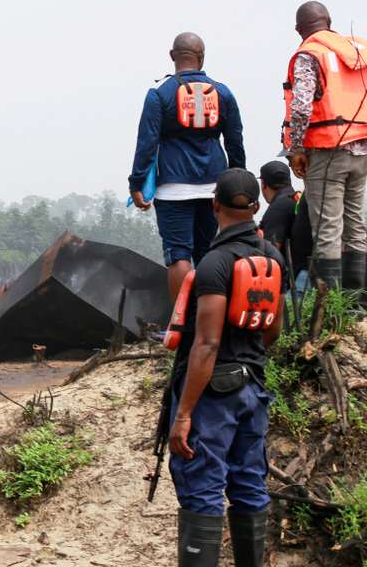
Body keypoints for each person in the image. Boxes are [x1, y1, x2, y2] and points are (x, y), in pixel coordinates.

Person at [167, 169, 284, 567]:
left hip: (214, 394)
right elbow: (274, 330)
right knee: (249, 484)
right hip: (254, 389)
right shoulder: (272, 257)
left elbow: (207, 343)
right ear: (255, 206)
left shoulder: (216, 261)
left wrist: (183, 414)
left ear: (214, 205)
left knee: (202, 487)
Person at [129, 32, 246, 304]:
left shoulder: (159, 94)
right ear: (202, 58)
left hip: (172, 187)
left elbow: (146, 144)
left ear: (172, 55)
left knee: (178, 254)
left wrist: (136, 184)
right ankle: (210, 321)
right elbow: (235, 142)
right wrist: (236, 183)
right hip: (215, 188)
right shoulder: (223, 93)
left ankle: (180, 325)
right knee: (209, 254)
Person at [283, 0, 367, 290]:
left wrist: (296, 149)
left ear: (299, 30)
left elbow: (302, 107)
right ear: (329, 22)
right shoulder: (354, 52)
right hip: (361, 149)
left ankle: (330, 309)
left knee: (327, 229)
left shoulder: (310, 54)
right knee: (355, 223)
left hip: (328, 150)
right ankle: (357, 303)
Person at [257, 161, 312, 301]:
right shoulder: (296, 199)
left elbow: (270, 252)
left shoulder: (278, 207)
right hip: (310, 273)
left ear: (263, 184)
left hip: (297, 279)